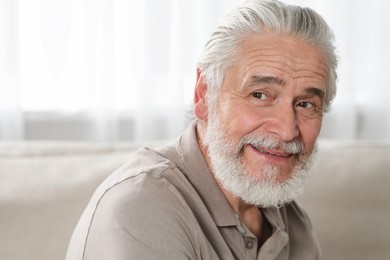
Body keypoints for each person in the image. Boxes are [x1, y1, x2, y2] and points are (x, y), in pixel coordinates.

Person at [66, 0, 337, 259]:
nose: (287, 131)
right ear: (204, 94)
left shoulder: (290, 218)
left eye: (305, 104)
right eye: (260, 95)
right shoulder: (139, 209)